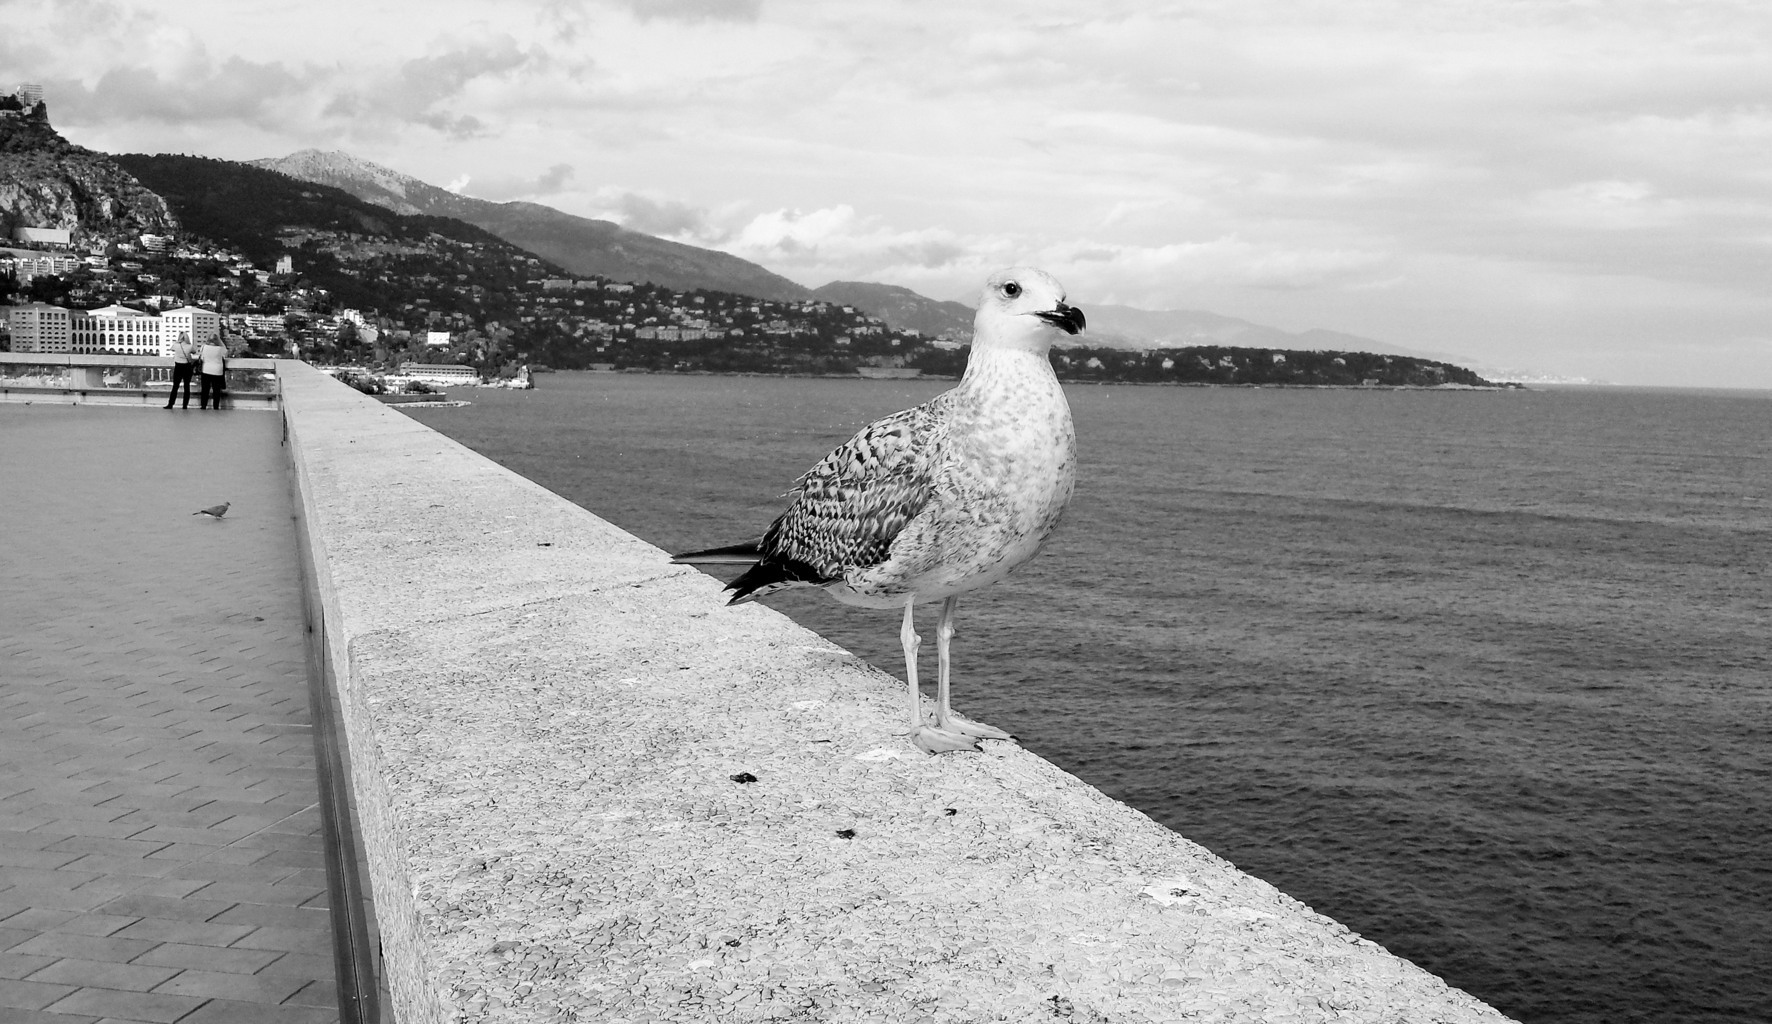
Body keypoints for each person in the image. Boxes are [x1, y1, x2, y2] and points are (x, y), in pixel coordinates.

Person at [164, 332, 197, 409]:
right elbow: (194, 352)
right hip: (187, 367)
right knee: (186, 386)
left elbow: (171, 349)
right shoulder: (190, 346)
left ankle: (170, 404)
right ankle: (185, 405)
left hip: (178, 367)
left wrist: (177, 342)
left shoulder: (176, 345)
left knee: (175, 386)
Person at [198, 335, 229, 410]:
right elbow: (226, 353)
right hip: (217, 371)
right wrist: (221, 342)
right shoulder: (220, 349)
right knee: (216, 390)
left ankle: (203, 405)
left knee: (205, 389)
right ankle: (216, 406)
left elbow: (202, 357)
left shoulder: (204, 347)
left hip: (206, 369)